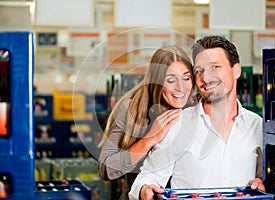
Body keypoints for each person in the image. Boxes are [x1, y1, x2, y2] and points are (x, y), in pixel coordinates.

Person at [129, 35, 265, 200]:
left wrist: (262, 183)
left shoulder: (257, 126)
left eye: (215, 67)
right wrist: (145, 189)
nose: (206, 78)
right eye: (199, 71)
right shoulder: (178, 124)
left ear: (236, 70)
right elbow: (147, 178)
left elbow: (265, 179)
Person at [98, 45, 197, 200]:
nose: (181, 88)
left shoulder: (195, 107)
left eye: (186, 78)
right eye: (171, 80)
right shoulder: (131, 109)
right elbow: (105, 168)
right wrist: (149, 140)